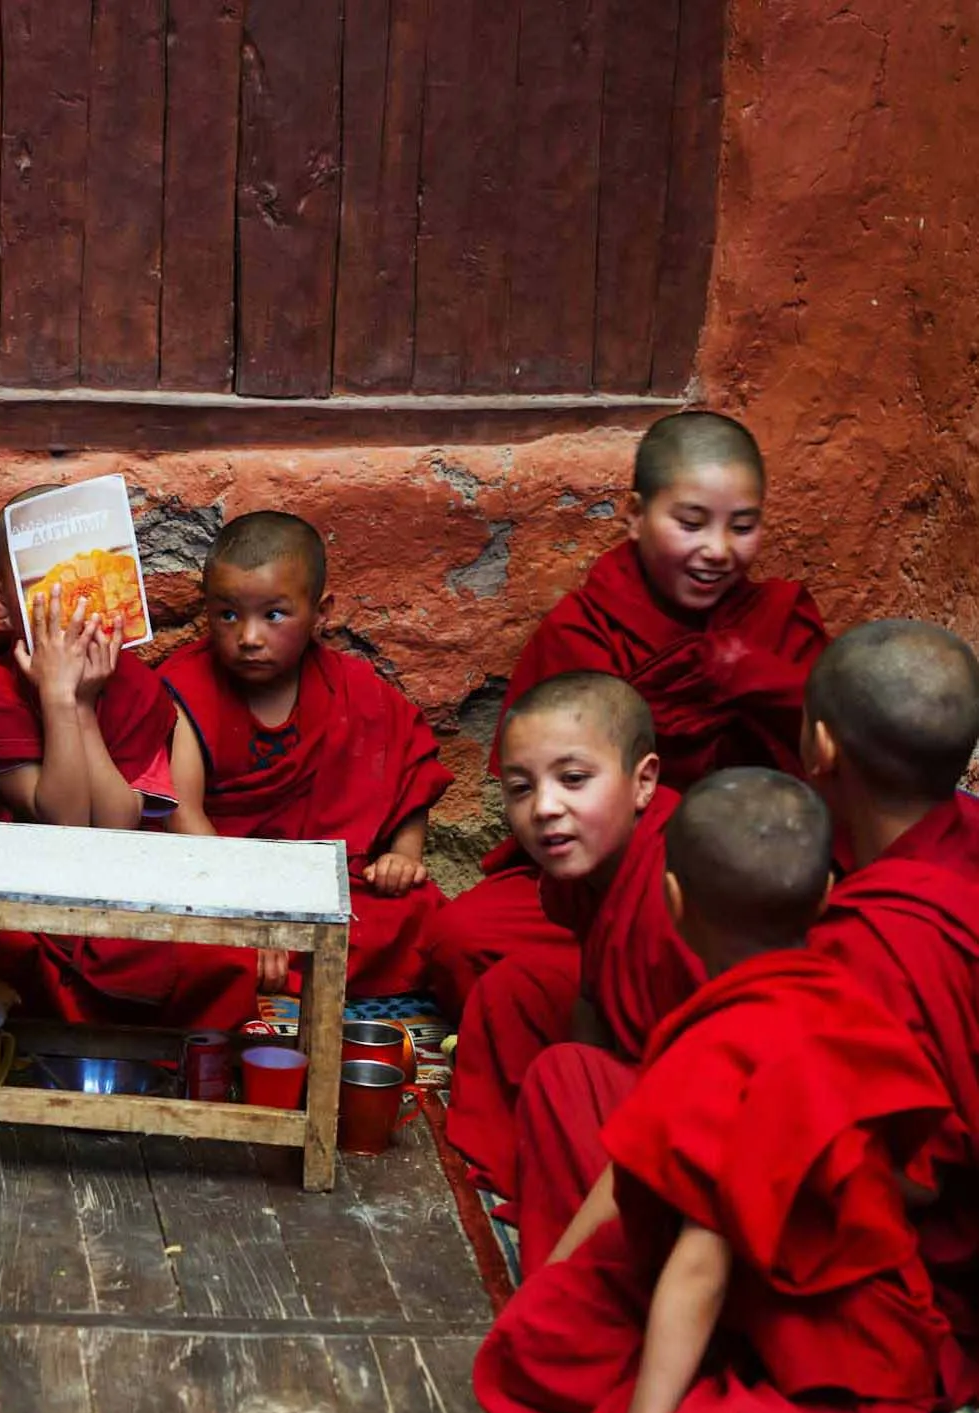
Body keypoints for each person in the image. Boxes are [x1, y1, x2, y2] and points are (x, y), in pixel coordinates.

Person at [474, 770, 950, 1413]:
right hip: (803, 1307)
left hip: (828, 1352)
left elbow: (699, 1267)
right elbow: (908, 1175)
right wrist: (553, 1281)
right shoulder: (852, 1005)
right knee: (536, 1340)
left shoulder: (719, 1047)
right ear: (828, 895)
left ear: (671, 902)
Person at [424, 411, 827, 1020]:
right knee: (463, 939)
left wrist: (756, 678)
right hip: (602, 880)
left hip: (748, 873)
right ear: (636, 515)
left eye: (742, 526)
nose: (717, 551)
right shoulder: (583, 630)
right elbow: (552, 786)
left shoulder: (779, 623)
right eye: (691, 523)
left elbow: (830, 761)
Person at [0, 487, 253, 1024]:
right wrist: (56, 696)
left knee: (219, 955)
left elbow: (116, 824)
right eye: (51, 596)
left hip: (111, 882)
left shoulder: (136, 686)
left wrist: (85, 704)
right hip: (12, 886)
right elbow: (64, 821)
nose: (73, 617)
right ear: (4, 600)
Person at [161, 511, 452, 999]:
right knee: (173, 942)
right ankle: (270, 964)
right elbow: (181, 817)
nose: (249, 637)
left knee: (423, 915)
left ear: (322, 613)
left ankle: (274, 967)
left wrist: (403, 856)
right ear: (205, 609)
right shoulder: (186, 688)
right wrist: (251, 915)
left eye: (274, 615)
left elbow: (409, 766)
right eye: (227, 614)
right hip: (220, 889)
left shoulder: (353, 689)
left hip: (327, 894)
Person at [800, 619, 979, 1402]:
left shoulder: (872, 940)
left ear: (820, 751)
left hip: (946, 1271)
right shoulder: (962, 841)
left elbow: (906, 1185)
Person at [445, 673, 700, 1201]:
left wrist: (578, 1089)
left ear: (644, 781)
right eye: (520, 788)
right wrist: (578, 1096)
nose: (543, 808)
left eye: (575, 779)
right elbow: (592, 987)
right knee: (513, 988)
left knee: (563, 1074)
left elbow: (722, 1075)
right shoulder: (592, 871)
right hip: (643, 1068)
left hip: (707, 1113)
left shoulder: (683, 883)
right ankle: (540, 1157)